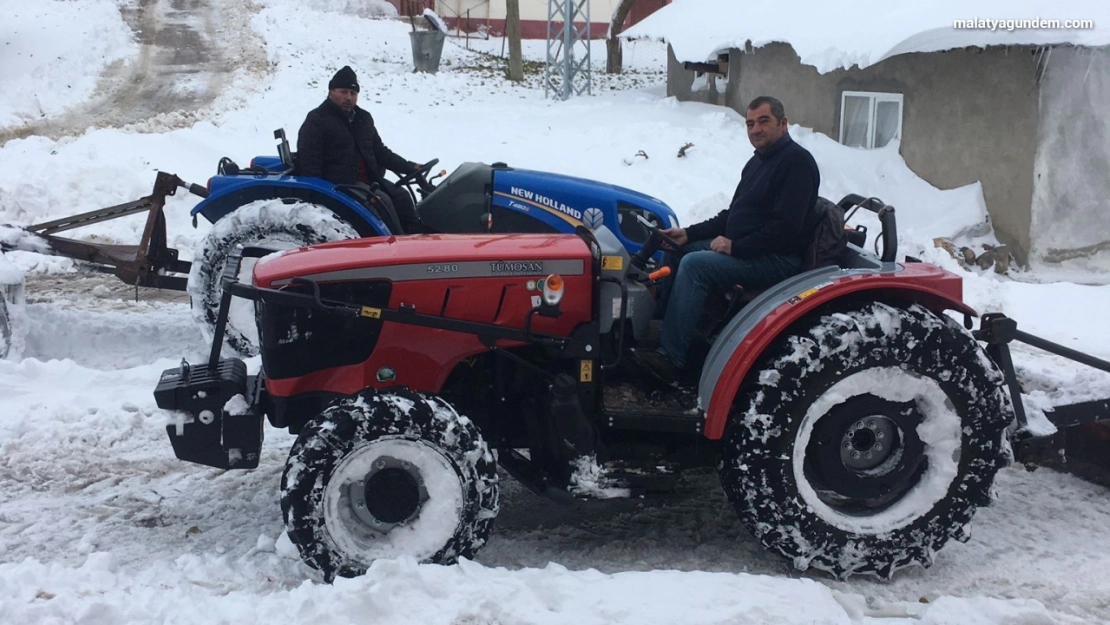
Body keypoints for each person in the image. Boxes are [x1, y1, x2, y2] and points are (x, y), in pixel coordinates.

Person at [635, 96, 821, 382]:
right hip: (753, 251)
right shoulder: (758, 162)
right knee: (676, 251)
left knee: (696, 265)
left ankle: (671, 358)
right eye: (749, 123)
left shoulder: (797, 163)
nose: (755, 129)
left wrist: (737, 247)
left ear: (783, 124)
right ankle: (660, 327)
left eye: (763, 121)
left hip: (777, 260)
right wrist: (689, 233)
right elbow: (733, 214)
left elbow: (787, 229)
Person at [294, 65, 425, 233]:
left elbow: (380, 152)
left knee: (402, 196)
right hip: (340, 184)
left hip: (369, 180)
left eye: (353, 93)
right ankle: (399, 244)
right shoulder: (317, 120)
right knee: (383, 202)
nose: (348, 97)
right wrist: (319, 197)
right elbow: (310, 164)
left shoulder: (363, 119)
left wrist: (409, 167)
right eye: (343, 92)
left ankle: (417, 236)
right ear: (331, 92)